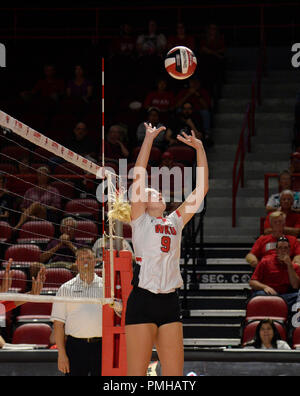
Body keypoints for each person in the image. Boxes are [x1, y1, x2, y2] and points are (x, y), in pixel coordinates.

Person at [109, 122, 208, 376]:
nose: (158, 194)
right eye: (152, 193)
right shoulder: (140, 220)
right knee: (136, 375)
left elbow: (202, 189)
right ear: (141, 201)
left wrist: (199, 148)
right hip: (143, 300)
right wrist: (149, 140)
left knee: (174, 376)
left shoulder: (175, 220)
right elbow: (140, 174)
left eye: (158, 192)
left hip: (170, 302)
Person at [51, 247, 120, 376]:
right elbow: (58, 325)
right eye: (82, 259)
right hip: (75, 347)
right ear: (76, 263)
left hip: (102, 346)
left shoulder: (107, 287)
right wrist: (61, 354)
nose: (85, 261)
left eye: (89, 258)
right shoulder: (65, 288)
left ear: (95, 261)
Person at [249, 236, 300, 310]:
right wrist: (264, 287)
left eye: (285, 248)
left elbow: (295, 286)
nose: (283, 250)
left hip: (284, 297)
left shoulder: (295, 267)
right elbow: (252, 282)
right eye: (280, 248)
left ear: (289, 250)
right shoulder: (265, 262)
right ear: (276, 250)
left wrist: (289, 265)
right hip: (267, 295)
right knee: (260, 294)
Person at [174, 78, 212, 143]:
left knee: (205, 113)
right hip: (186, 111)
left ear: (199, 83)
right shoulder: (184, 91)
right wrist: (188, 94)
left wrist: (197, 94)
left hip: (198, 112)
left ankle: (206, 133)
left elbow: (206, 107)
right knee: (178, 110)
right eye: (192, 82)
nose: (194, 84)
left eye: (196, 82)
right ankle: (177, 132)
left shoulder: (203, 92)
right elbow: (178, 105)